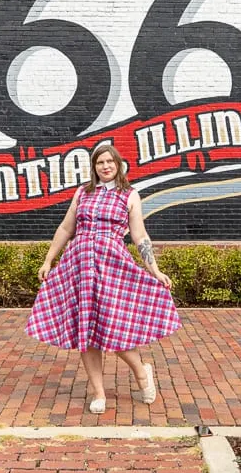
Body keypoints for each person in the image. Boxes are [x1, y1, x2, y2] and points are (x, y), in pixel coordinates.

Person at [27, 142, 181, 414]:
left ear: (118, 164)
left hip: (113, 268)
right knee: (86, 330)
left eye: (110, 161)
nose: (106, 166)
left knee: (113, 328)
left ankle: (141, 371)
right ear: (94, 167)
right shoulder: (82, 193)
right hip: (79, 267)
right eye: (100, 162)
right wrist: (48, 259)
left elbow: (139, 236)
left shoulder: (129, 195)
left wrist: (154, 269)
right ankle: (99, 392)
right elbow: (66, 227)